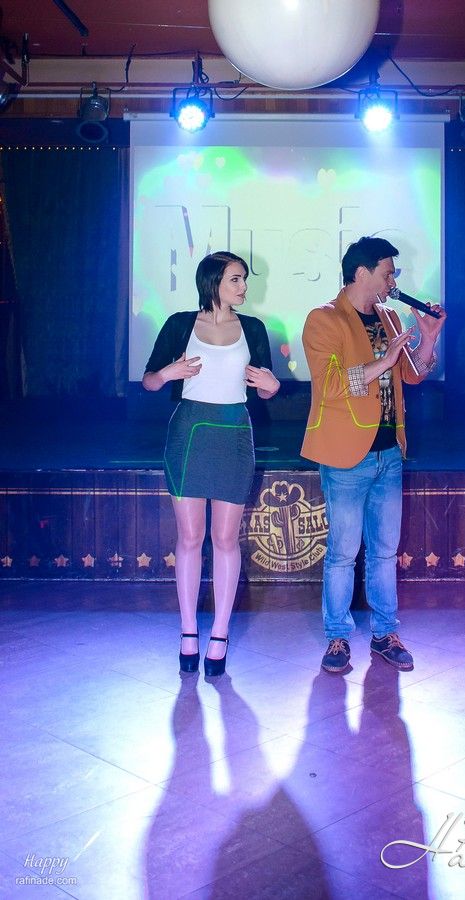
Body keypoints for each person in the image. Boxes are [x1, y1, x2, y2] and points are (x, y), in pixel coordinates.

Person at [301, 236, 446, 673]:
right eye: (388, 272)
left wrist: (427, 339)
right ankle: (337, 638)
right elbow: (330, 386)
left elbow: (413, 375)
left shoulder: (388, 316)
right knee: (343, 553)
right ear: (362, 272)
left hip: (389, 452)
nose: (393, 281)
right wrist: (385, 360)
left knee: (384, 552)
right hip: (346, 455)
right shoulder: (325, 318)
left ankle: (385, 634)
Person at [143, 251, 280, 676]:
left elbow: (265, 387)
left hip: (234, 432)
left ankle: (219, 632)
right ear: (213, 282)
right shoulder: (180, 324)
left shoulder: (253, 329)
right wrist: (168, 373)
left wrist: (272, 386)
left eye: (244, 279)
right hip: (189, 432)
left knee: (224, 538)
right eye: (235, 279)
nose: (243, 287)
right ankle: (188, 630)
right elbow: (150, 381)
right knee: (190, 536)